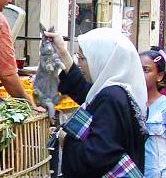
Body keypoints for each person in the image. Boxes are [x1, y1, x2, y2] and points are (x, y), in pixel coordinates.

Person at [45, 28, 147, 177]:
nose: (79, 63)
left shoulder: (111, 97)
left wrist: (65, 139)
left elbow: (96, 156)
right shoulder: (120, 91)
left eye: (82, 58)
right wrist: (62, 53)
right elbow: (87, 94)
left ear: (101, 58)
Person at [139, 49, 166, 177]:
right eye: (137, 69)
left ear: (159, 76)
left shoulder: (164, 106)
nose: (140, 74)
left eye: (146, 70)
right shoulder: (127, 103)